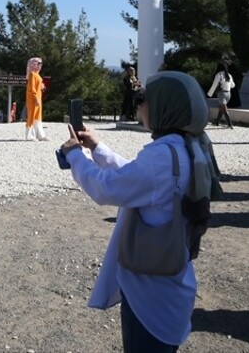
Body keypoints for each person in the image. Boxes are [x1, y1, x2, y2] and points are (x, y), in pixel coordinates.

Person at [59, 71, 220, 352]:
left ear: (165, 105)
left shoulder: (162, 155)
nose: (139, 105)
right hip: (171, 281)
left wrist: (74, 155)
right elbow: (142, 182)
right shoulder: (188, 146)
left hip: (149, 293)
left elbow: (107, 188)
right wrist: (98, 148)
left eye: (144, 98)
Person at [206, 57, 236, 129]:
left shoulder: (219, 75)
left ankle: (229, 124)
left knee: (224, 109)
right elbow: (233, 85)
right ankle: (217, 122)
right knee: (221, 108)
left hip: (222, 94)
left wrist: (209, 94)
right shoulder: (229, 75)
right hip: (228, 94)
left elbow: (214, 84)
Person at [25, 57, 48, 141]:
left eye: (40, 64)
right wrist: (35, 97)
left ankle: (40, 135)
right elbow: (32, 88)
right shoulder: (32, 74)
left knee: (38, 117)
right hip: (33, 98)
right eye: (38, 64)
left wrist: (42, 86)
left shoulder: (37, 74)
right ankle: (30, 135)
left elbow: (37, 85)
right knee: (31, 116)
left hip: (38, 97)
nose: (40, 66)